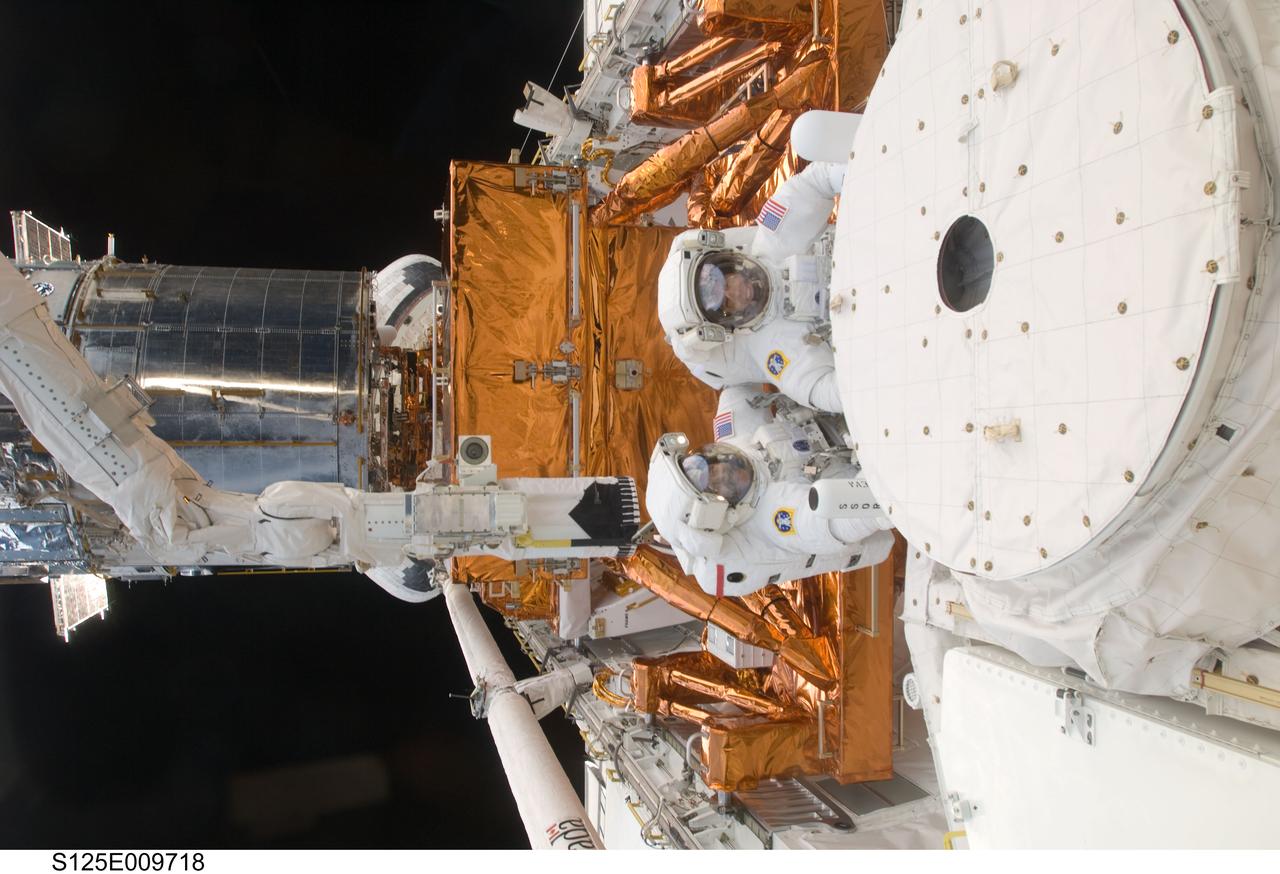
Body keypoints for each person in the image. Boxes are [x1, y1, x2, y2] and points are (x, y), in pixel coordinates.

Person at [644, 385, 893, 598]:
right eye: (718, 485)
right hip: (877, 456)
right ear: (719, 512)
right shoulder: (776, 518)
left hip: (853, 408)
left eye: (707, 463)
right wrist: (891, 484)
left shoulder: (736, 436)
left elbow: (734, 377)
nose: (722, 470)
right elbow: (836, 522)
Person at [658, 161, 846, 412]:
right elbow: (825, 392)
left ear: (727, 260)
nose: (734, 292)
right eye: (724, 303)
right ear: (722, 325)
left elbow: (814, 182)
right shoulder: (773, 351)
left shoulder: (774, 237)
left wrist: (847, 175)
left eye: (723, 278)